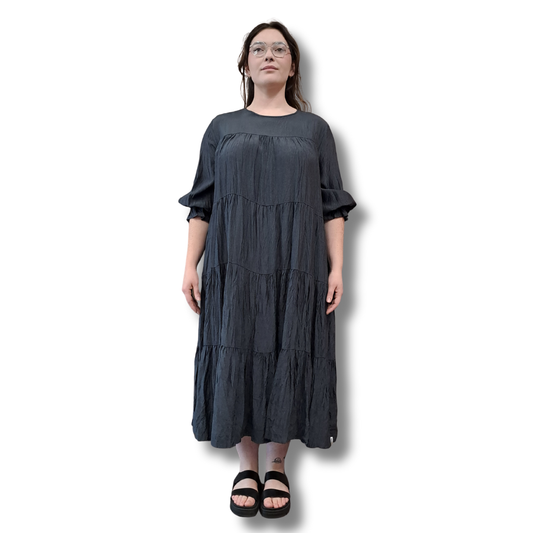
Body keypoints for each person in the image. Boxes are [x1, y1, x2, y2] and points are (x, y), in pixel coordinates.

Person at [178, 20, 357, 519]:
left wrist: (338, 268)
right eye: (259, 49)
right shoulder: (221, 127)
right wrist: (190, 265)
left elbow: (332, 207)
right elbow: (202, 204)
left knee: (289, 345)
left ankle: (277, 464)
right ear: (246, 65)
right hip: (233, 264)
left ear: (293, 65)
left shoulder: (315, 131)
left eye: (279, 49)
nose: (269, 55)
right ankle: (246, 465)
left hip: (297, 264)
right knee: (237, 346)